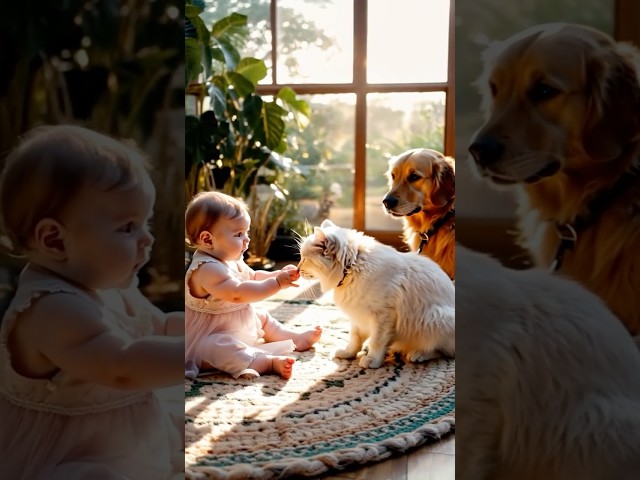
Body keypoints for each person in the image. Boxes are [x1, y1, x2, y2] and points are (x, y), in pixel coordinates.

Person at [0, 125, 184, 480]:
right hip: (74, 457)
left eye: (146, 222)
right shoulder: (52, 308)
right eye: (127, 227)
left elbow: (159, 326)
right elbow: (122, 367)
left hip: (117, 438)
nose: (147, 239)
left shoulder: (107, 285)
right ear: (54, 240)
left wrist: (208, 326)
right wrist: (196, 352)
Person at [184, 191, 322, 380]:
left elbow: (254, 276)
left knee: (263, 317)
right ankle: (267, 362)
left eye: (246, 233)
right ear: (208, 239)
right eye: (239, 234)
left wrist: (278, 275)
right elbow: (237, 294)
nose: (247, 239)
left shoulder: (231, 260)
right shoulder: (206, 269)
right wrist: (276, 284)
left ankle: (294, 338)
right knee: (217, 346)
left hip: (236, 324)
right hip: (210, 337)